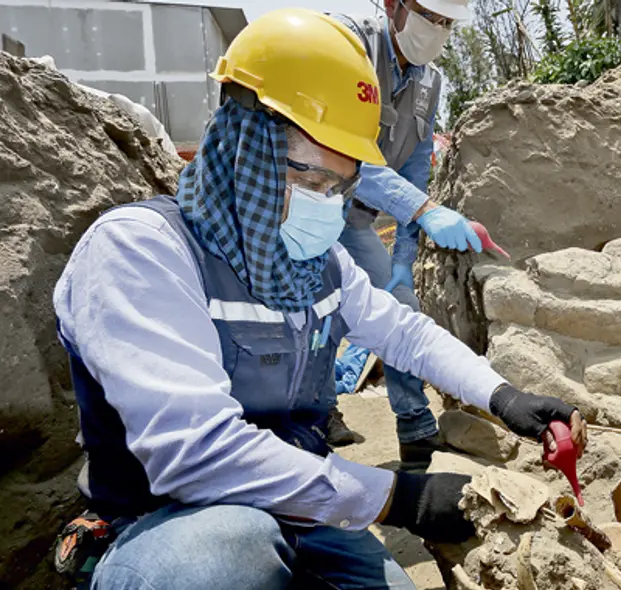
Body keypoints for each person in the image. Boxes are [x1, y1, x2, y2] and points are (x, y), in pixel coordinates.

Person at [52, 9, 586, 589]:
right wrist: (400, 498)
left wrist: (504, 395)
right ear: (244, 147)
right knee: (225, 558)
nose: (325, 203)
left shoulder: (318, 265)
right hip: (170, 520)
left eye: (340, 185)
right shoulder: (143, 252)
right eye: (308, 180)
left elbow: (402, 333)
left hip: (303, 503)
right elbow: (197, 453)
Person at [323, 0, 478, 470]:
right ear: (393, 4)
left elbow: (413, 172)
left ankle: (415, 430)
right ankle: (313, 418)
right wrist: (427, 210)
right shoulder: (349, 46)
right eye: (430, 16)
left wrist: (402, 264)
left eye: (448, 23)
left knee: (400, 311)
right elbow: (340, 149)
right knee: (307, 313)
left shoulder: (429, 82)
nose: (438, 30)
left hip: (352, 220)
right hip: (299, 203)